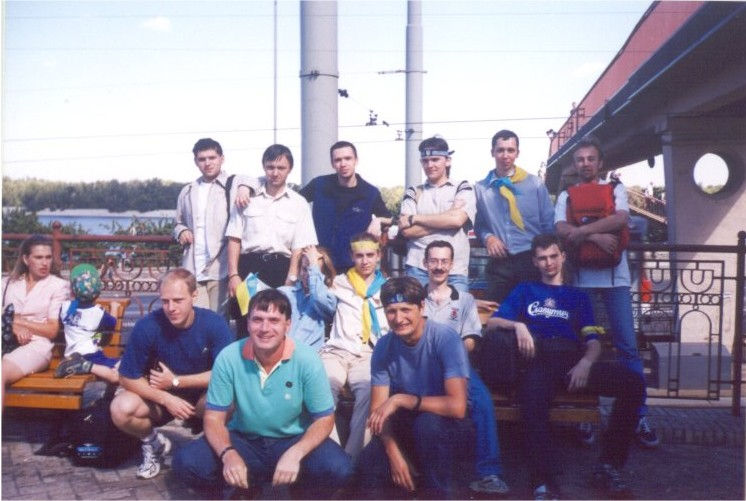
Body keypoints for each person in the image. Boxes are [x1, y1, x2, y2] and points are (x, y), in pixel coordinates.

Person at [487, 234, 644, 499]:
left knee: (632, 382)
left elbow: (593, 341)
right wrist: (518, 325)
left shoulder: (577, 296)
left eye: (553, 256)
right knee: (532, 399)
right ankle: (543, 481)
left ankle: (608, 467)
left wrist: (586, 362)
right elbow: (493, 323)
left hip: (572, 362)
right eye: (542, 258)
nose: (548, 263)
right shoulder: (525, 290)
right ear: (534, 262)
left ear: (563, 257)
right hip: (538, 359)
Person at [172, 289, 353, 499]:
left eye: (274, 320)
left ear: (287, 325)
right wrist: (228, 454)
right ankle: (241, 489)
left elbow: (324, 419)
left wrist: (296, 453)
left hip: (292, 438)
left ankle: (301, 493)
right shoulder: (229, 357)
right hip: (243, 439)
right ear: (248, 323)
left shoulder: (307, 359)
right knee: (187, 462)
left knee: (339, 468)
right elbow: (213, 418)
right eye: (257, 319)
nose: (265, 328)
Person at [554, 135, 658, 448]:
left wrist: (583, 231)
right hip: (581, 281)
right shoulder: (566, 195)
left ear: (600, 163)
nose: (585, 164)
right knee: (585, 346)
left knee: (627, 347)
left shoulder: (616, 189)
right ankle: (585, 413)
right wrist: (597, 236)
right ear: (575, 164)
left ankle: (638, 415)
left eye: (590, 159)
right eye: (580, 159)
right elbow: (560, 229)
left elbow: (621, 218)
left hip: (616, 281)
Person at [110, 268, 234, 479]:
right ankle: (153, 444)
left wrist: (176, 381)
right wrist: (166, 398)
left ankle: (213, 446)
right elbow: (127, 376)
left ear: (194, 296)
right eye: (165, 301)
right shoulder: (147, 326)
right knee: (121, 408)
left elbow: (228, 373)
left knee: (230, 401)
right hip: (161, 399)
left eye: (178, 300)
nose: (171, 308)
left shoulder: (213, 323)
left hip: (203, 398)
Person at [357, 277, 470, 499]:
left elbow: (458, 407)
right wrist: (395, 455)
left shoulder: (445, 339)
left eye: (406, 310)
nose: (399, 319)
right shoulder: (384, 346)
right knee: (370, 462)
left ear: (421, 307)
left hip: (446, 425)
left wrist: (401, 399)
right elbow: (378, 414)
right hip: (406, 424)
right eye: (391, 311)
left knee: (428, 426)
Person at [422, 240, 509, 495]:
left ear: (452, 264)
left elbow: (471, 340)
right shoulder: (415, 297)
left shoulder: (465, 300)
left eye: (444, 261)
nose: (439, 267)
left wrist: (449, 358)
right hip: (421, 365)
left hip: (457, 366)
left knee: (482, 401)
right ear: (425, 263)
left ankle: (489, 473)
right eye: (434, 261)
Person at [226, 144, 317, 336]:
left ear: (289, 169)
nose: (275, 173)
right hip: (249, 269)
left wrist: (290, 280)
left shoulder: (299, 203)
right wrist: (233, 274)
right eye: (270, 167)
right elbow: (234, 238)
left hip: (281, 270)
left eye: (281, 168)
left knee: (277, 326)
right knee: (247, 325)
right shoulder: (246, 199)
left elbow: (299, 246)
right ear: (264, 167)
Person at [320, 233, 388, 459]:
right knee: (323, 388)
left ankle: (352, 457)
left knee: (370, 390)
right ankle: (331, 454)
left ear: (378, 255)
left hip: (368, 353)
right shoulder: (338, 283)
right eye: (359, 256)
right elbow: (316, 296)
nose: (365, 261)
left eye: (370, 255)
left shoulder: (387, 287)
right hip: (337, 351)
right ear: (351, 256)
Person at [173, 138, 256, 317]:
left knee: (219, 319)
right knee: (198, 319)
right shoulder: (187, 191)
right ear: (196, 162)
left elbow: (256, 181)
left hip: (222, 268)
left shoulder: (233, 183)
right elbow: (178, 222)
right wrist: (182, 231)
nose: (208, 163)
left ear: (222, 158)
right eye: (202, 159)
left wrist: (244, 188)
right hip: (193, 269)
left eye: (212, 158)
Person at [474, 129, 555, 302]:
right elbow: (479, 224)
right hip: (500, 261)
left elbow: (548, 223)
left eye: (510, 150)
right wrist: (489, 238)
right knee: (498, 312)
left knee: (533, 311)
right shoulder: (481, 188)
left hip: (531, 259)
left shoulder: (535, 184)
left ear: (517, 153)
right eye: (500, 150)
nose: (505, 155)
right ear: (492, 152)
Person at [397, 136, 476, 292]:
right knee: (416, 308)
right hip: (418, 267)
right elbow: (407, 230)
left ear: (447, 161)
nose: (430, 165)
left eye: (435, 160)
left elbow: (457, 221)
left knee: (456, 308)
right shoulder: (413, 192)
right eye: (425, 161)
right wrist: (447, 219)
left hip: (454, 269)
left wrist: (415, 218)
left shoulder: (463, 187)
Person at [300, 141, 391, 272]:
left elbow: (391, 219)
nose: (343, 164)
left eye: (348, 158)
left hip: (354, 265)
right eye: (338, 160)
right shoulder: (319, 185)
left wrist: (378, 220)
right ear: (332, 164)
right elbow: (294, 203)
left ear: (356, 160)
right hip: (321, 262)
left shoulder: (369, 192)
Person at [2, 235, 69, 405]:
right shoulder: (7, 283)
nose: (45, 263)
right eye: (38, 257)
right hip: (5, 339)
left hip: (37, 346)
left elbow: (52, 330)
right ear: (26, 259)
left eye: (48, 257)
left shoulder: (57, 286)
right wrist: (13, 326)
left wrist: (17, 321)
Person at [54, 264, 120, 383]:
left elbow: (77, 315)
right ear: (98, 293)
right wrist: (114, 307)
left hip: (71, 354)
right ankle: (85, 366)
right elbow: (113, 323)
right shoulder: (99, 313)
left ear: (73, 292)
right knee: (118, 371)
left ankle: (82, 365)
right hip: (90, 356)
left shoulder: (66, 307)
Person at [278, 245, 337, 351]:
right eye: (305, 269)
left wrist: (314, 263)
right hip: (281, 352)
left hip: (308, 355)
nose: (308, 275)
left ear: (324, 274)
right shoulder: (285, 293)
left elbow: (318, 297)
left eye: (313, 270)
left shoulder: (329, 298)